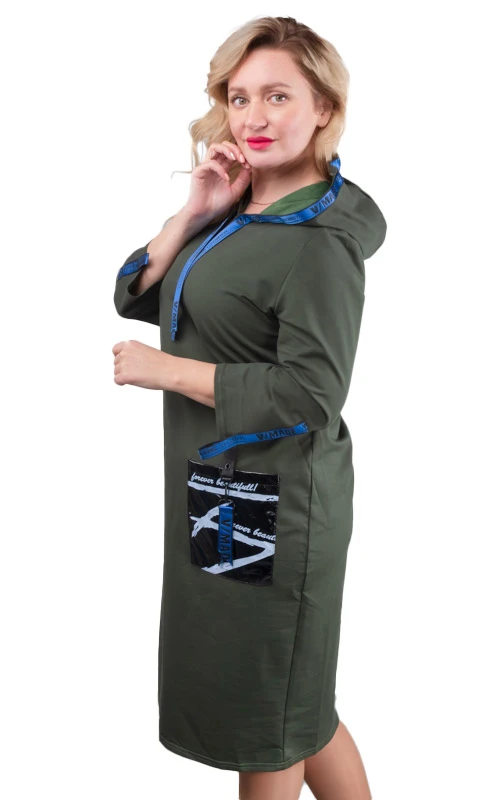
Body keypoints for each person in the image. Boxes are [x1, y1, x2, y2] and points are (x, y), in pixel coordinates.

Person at [112, 15, 386, 800]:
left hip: (284, 506)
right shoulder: (238, 210)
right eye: (239, 98)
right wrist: (192, 214)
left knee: (267, 719)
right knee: (292, 705)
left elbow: (310, 393)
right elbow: (139, 296)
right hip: (222, 494)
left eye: (277, 96)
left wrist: (171, 372)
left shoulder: (320, 242)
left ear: (325, 107)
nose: (253, 117)